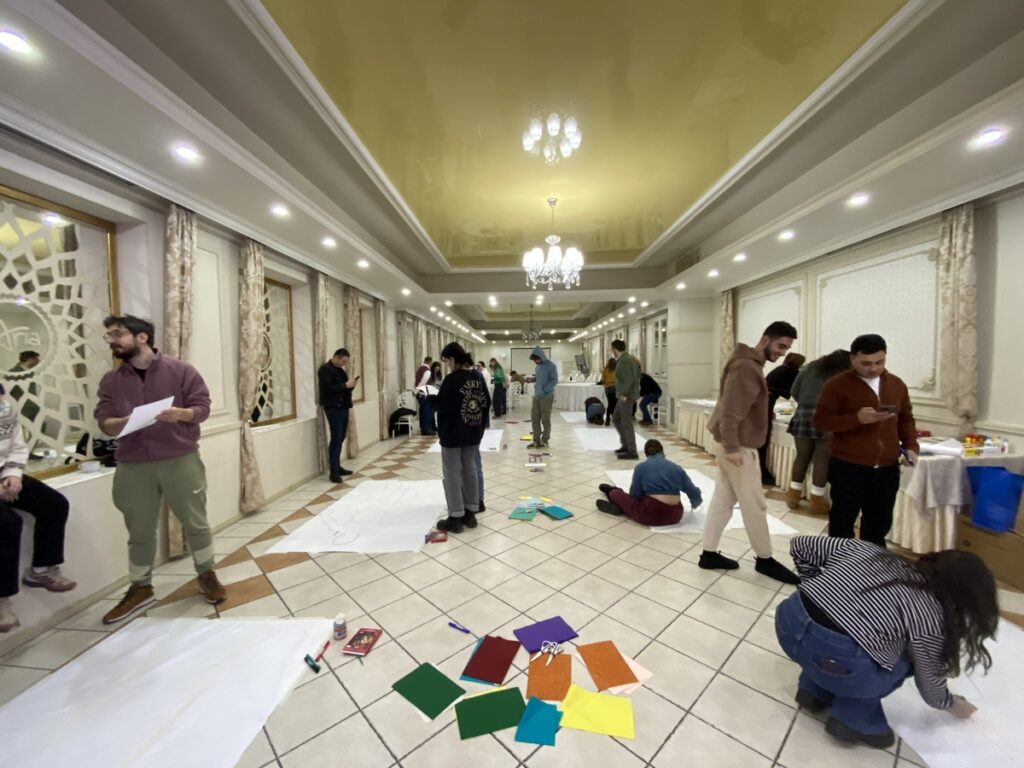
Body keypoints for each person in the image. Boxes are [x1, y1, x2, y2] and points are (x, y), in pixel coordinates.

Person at [776, 536, 996, 748]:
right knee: (905, 661)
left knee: (833, 641)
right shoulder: (932, 615)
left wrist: (816, 588)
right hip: (838, 660)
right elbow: (928, 680)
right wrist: (950, 703)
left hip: (788, 622)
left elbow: (801, 545)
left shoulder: (870, 551)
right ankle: (853, 719)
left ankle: (813, 689)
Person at [95, 315, 225, 623]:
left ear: (141, 337)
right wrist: (123, 422)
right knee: (139, 530)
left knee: (196, 522)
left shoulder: (181, 370)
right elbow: (104, 421)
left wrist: (181, 413)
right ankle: (140, 587)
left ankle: (206, 574)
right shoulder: (111, 380)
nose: (112, 340)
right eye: (108, 335)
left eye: (117, 334)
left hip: (180, 458)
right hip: (132, 465)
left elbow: (202, 407)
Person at [698, 321, 801, 584]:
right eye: (780, 346)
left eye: (786, 349)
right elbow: (731, 411)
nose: (782, 353)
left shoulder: (747, 364)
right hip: (739, 447)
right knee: (755, 505)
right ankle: (765, 559)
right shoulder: (746, 366)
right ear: (765, 340)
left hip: (735, 444)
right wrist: (733, 447)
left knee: (723, 501)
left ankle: (708, 553)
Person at [813, 334, 918, 547]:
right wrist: (856, 419)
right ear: (852, 359)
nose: (873, 368)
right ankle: (841, 561)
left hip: (887, 468)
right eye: (866, 363)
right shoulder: (836, 385)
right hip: (848, 466)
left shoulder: (896, 384)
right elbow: (820, 422)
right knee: (842, 522)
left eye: (879, 362)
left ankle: (872, 563)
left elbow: (905, 419)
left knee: (879, 524)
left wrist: (910, 446)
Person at [0, 384, 76, 633]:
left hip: (3, 473)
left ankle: (42, 569)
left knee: (54, 504)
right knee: (7, 523)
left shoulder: (4, 407)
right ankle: (2, 601)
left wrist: (13, 474)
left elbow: (16, 445)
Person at [786, 350, 850, 515]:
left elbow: (794, 390)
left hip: (803, 414)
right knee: (821, 459)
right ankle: (816, 501)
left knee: (801, 456)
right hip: (826, 416)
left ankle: (793, 496)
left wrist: (805, 403)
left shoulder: (809, 368)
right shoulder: (841, 374)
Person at [435, 343, 490, 533]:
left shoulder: (452, 379)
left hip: (452, 433)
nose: (447, 365)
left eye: (447, 361)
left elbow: (444, 405)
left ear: (453, 359)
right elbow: (486, 402)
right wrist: (479, 427)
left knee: (452, 473)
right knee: (470, 470)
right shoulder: (477, 376)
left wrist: (428, 399)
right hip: (472, 431)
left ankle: (455, 516)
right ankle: (470, 512)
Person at [596, 439, 703, 526]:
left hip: (652, 514)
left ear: (646, 454)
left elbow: (634, 495)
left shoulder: (641, 467)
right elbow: (694, 493)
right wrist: (694, 504)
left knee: (618, 495)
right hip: (676, 515)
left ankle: (613, 493)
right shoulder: (677, 468)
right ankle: (618, 501)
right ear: (662, 452)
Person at [758, 352, 806, 486]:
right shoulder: (791, 372)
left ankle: (759, 471)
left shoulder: (781, 369)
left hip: (763, 403)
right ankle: (761, 473)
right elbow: (797, 392)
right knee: (762, 440)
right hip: (765, 404)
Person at [318, 348, 359, 483]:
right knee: (336, 439)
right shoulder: (325, 369)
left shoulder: (341, 370)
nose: (344, 364)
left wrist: (351, 385)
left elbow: (344, 388)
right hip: (334, 408)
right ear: (336, 357)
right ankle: (333, 472)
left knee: (340, 438)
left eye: (346, 362)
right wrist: (345, 385)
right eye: (343, 361)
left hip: (343, 407)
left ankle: (337, 467)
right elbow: (327, 389)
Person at [610, 340, 640, 460]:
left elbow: (628, 379)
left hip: (626, 396)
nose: (612, 351)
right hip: (623, 395)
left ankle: (632, 451)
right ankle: (626, 445)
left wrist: (623, 394)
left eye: (612, 349)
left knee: (626, 422)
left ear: (615, 349)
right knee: (616, 418)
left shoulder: (625, 360)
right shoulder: (625, 359)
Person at [527, 347, 557, 449]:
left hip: (546, 397)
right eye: (534, 360)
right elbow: (539, 378)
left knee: (545, 420)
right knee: (534, 418)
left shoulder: (551, 366)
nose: (535, 362)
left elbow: (554, 380)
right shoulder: (538, 366)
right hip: (537, 396)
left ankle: (545, 440)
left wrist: (545, 390)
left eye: (536, 359)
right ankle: (536, 440)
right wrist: (532, 380)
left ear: (541, 357)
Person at [413, 356, 435, 436]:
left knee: (423, 411)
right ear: (430, 362)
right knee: (427, 412)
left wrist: (416, 391)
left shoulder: (419, 369)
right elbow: (423, 382)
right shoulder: (427, 371)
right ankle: (426, 430)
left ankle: (423, 428)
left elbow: (417, 381)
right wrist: (417, 390)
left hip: (420, 394)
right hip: (424, 393)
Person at [600, 358, 617, 426]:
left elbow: (603, 380)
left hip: (608, 388)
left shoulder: (605, 369)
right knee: (614, 404)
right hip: (616, 388)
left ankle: (607, 419)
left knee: (610, 404)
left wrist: (605, 384)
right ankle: (613, 417)